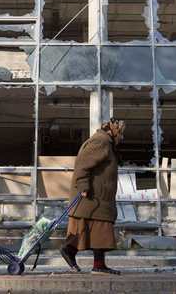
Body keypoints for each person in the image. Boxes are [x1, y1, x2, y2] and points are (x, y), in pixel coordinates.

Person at [60, 118, 126, 275]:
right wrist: (83, 186)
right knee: (91, 231)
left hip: (98, 200)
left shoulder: (106, 144)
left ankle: (96, 263)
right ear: (113, 130)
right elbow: (82, 165)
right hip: (92, 199)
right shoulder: (100, 142)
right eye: (121, 133)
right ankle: (70, 251)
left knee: (98, 234)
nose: (122, 137)